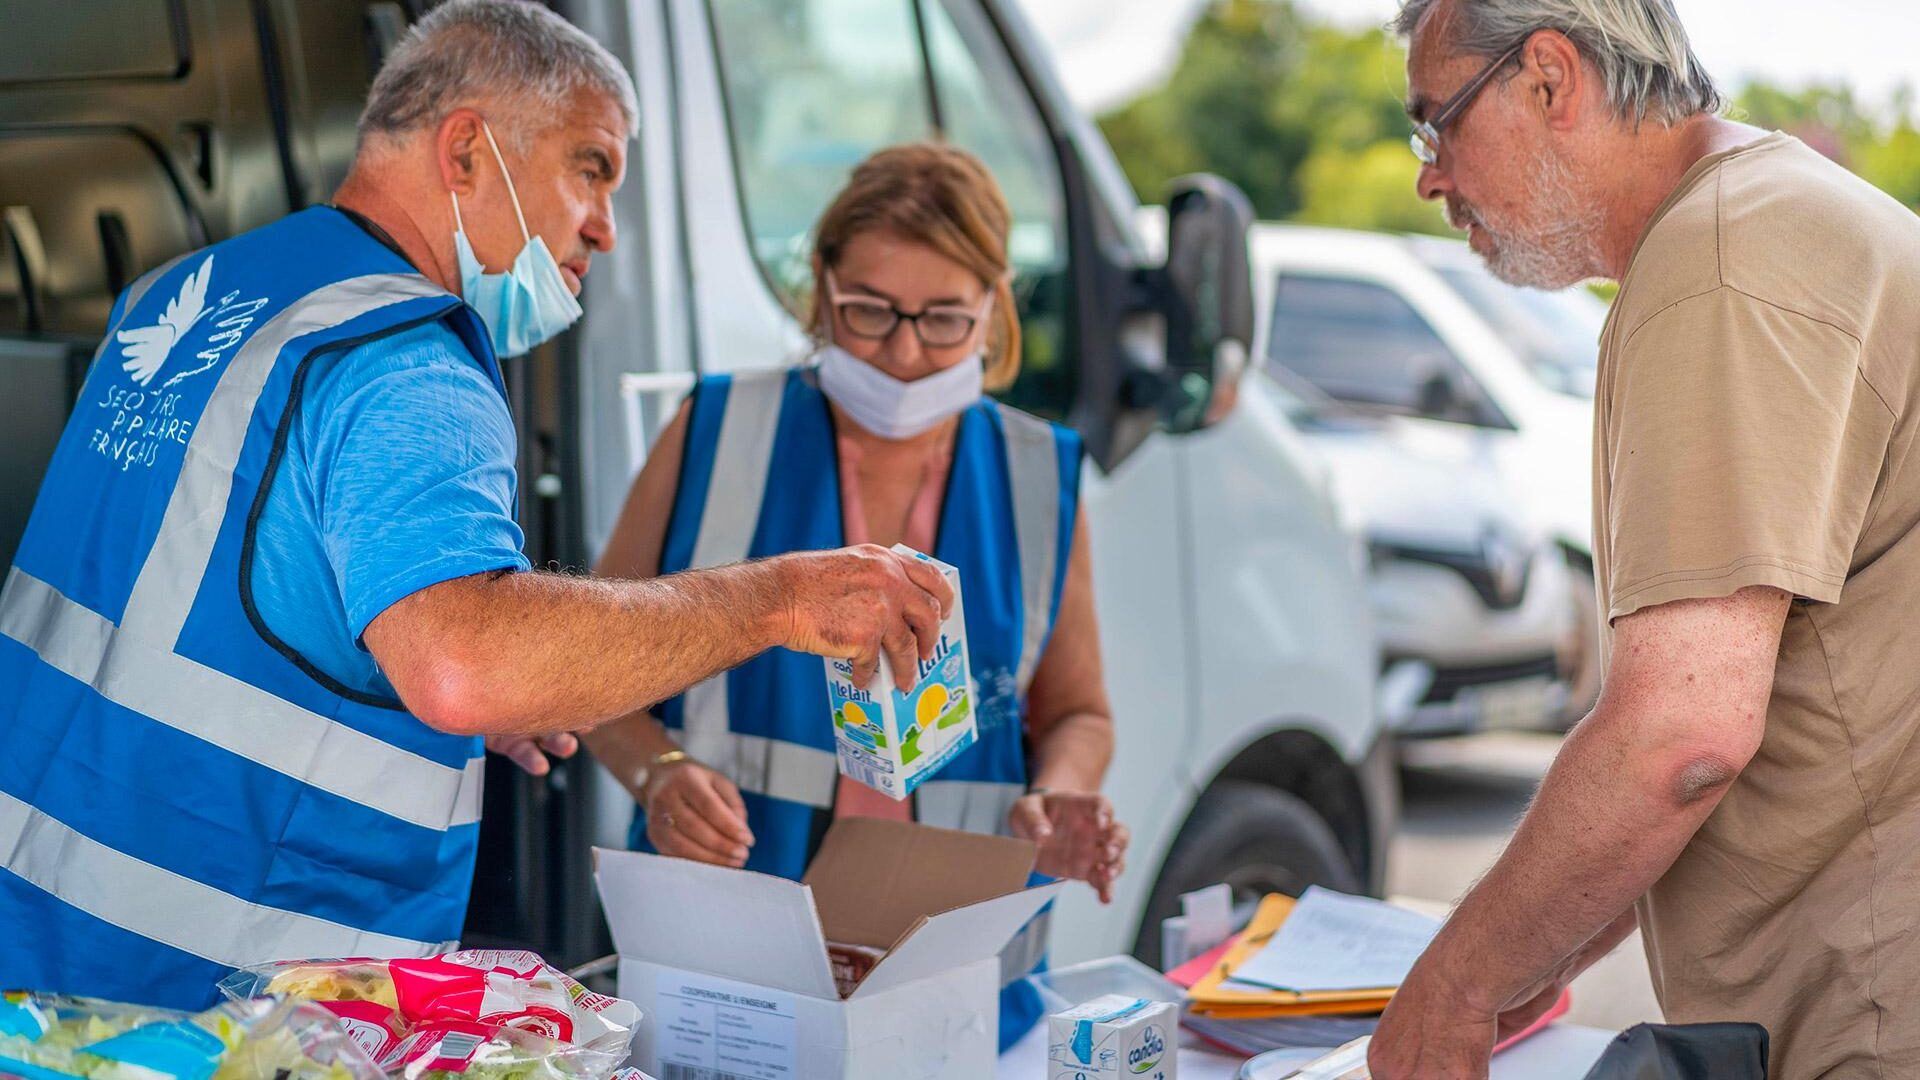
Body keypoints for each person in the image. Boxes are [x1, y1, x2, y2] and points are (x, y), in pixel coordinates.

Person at [0, 0, 952, 1010]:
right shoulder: (408, 357)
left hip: (39, 927)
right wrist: (782, 602)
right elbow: (465, 667)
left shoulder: (193, 290)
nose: (605, 228)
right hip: (204, 994)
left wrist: (388, 663)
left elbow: (203, 580)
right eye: (590, 168)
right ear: (465, 152)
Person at [1366, 1, 1920, 1077]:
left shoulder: (1724, 260)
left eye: (1437, 127)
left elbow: (1680, 738)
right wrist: (1534, 949)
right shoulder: (1758, 218)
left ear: (1548, 78)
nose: (1431, 178)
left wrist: (1456, 990)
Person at [586, 143, 1129, 1051]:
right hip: (729, 948)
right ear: (821, 289)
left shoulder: (1043, 474)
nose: (907, 353)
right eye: (870, 313)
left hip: (954, 962)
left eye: (946, 320)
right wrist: (660, 774)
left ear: (996, 309)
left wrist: (1060, 794)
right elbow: (587, 668)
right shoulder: (716, 431)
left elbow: (1078, 710)